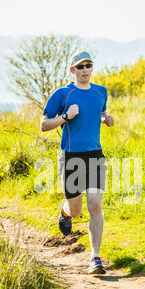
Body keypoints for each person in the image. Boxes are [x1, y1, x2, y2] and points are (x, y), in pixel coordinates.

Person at [40, 50, 114, 274]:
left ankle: (95, 258)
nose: (84, 70)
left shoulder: (101, 92)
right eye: (80, 67)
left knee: (96, 205)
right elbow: (44, 125)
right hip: (70, 156)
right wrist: (64, 117)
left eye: (88, 65)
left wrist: (106, 119)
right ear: (72, 70)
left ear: (92, 68)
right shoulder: (63, 94)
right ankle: (64, 210)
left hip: (95, 155)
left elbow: (98, 113)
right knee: (76, 210)